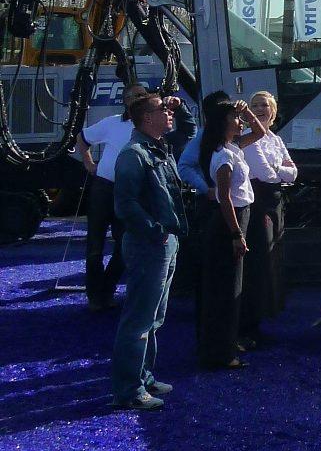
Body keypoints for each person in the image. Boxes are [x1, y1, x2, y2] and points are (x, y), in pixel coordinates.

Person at [110, 89, 190, 411]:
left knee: (154, 319)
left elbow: (189, 129)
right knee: (139, 321)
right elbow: (125, 205)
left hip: (163, 242)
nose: (169, 111)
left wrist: (177, 107)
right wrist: (156, 233)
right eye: (162, 109)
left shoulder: (157, 148)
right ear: (147, 118)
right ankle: (129, 390)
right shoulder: (134, 154)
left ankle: (143, 377)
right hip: (150, 244)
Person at [196, 99, 266, 370]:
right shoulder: (223, 156)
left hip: (238, 216)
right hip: (230, 222)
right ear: (222, 123)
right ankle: (220, 352)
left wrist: (247, 111)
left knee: (231, 286)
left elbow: (260, 133)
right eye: (235, 118)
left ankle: (226, 344)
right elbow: (224, 198)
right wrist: (237, 234)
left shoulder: (232, 148)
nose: (241, 122)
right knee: (226, 289)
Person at [240, 90, 298, 344]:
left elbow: (293, 173)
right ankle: (247, 326)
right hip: (257, 203)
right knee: (258, 263)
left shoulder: (275, 138)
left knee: (273, 259)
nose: (260, 109)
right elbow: (265, 173)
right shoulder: (247, 137)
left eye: (265, 105)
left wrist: (279, 171)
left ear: (273, 112)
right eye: (255, 105)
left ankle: (261, 321)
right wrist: (279, 171)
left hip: (275, 203)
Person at [77, 85, 140, 311]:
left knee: (124, 245)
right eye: (133, 96)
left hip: (130, 191)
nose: (137, 99)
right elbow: (82, 139)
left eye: (142, 95)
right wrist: (89, 164)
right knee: (95, 244)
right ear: (125, 100)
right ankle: (95, 297)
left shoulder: (149, 125)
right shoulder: (111, 122)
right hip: (103, 188)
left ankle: (107, 289)